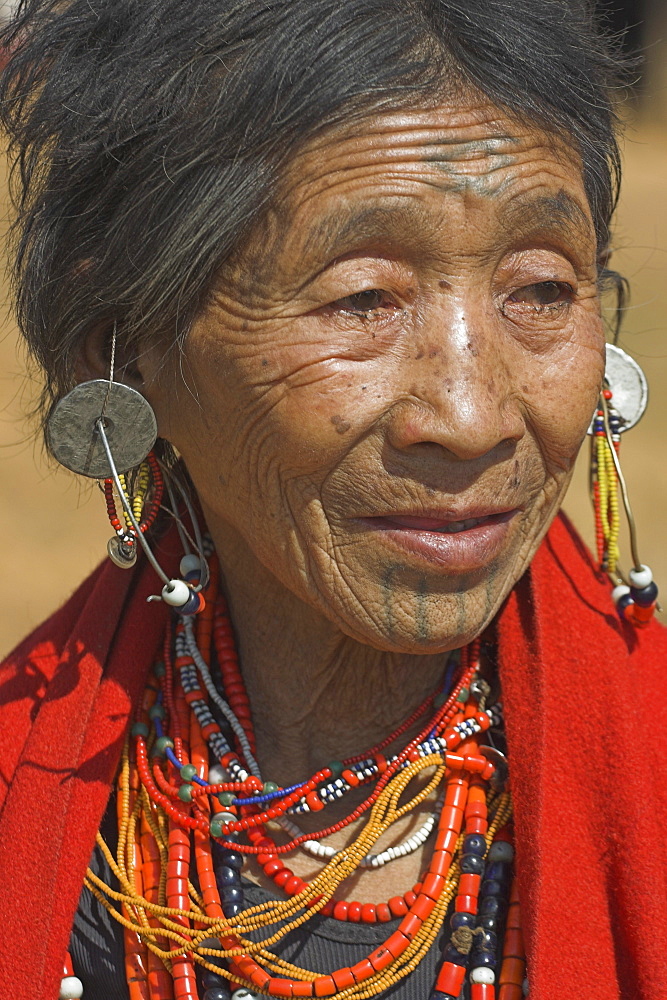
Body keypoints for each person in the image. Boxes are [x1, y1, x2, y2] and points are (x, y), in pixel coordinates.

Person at [0, 1, 665, 999]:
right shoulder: (33, 806)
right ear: (119, 346)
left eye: (538, 288)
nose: (473, 413)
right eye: (363, 298)